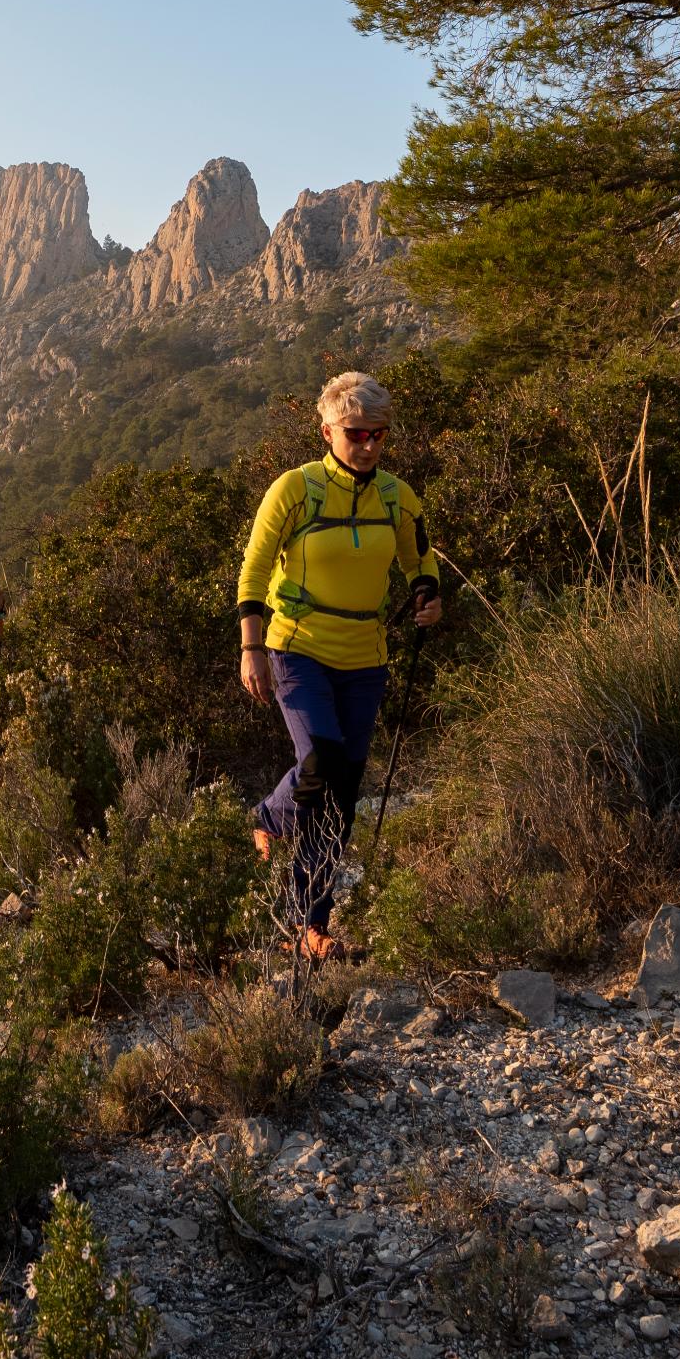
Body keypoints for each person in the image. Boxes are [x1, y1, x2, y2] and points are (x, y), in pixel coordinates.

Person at [237, 370, 441, 959]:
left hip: (365, 656)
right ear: (328, 431)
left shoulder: (399, 496)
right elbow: (252, 573)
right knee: (320, 759)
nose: (370, 444)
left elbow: (419, 559)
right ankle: (271, 815)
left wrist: (428, 597)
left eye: (379, 433)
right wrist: (252, 649)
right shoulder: (294, 490)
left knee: (342, 794)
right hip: (297, 648)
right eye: (357, 433)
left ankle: (312, 926)